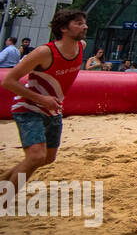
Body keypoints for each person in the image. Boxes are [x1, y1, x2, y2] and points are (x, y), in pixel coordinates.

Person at [2, 10, 88, 187]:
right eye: (79, 23)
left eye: (84, 23)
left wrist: (48, 102)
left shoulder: (82, 46)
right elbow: (8, 81)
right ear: (63, 28)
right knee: (36, 156)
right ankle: (4, 202)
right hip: (28, 108)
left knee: (47, 158)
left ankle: (3, 180)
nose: (84, 26)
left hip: (53, 110)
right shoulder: (44, 52)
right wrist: (41, 99)